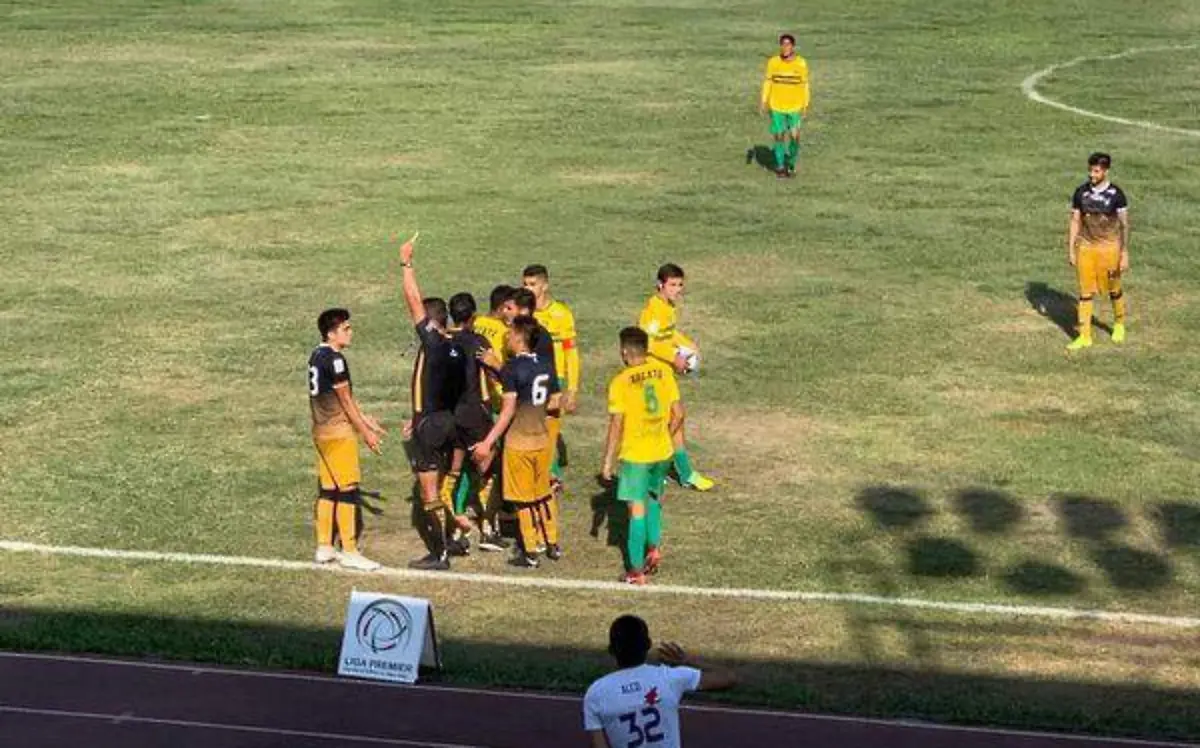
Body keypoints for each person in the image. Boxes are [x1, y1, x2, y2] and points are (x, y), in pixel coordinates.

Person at [397, 234, 466, 571]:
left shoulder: (436, 344)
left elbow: (412, 299)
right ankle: (454, 537)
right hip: (449, 421)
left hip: (432, 425)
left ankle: (439, 553)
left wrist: (406, 263)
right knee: (440, 483)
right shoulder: (456, 346)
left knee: (428, 491)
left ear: (432, 320)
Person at [470, 315, 559, 568]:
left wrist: (487, 442)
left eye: (509, 333)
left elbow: (507, 410)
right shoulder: (546, 365)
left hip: (519, 442)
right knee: (543, 493)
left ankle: (530, 551)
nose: (506, 337)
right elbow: (554, 401)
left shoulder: (511, 368)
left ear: (519, 337)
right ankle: (552, 543)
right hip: (542, 439)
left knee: (522, 499)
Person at [602, 327, 683, 584]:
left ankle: (636, 571)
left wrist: (608, 461)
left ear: (625, 352)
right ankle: (654, 548)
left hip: (637, 454)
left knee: (636, 510)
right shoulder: (664, 372)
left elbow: (616, 424)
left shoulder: (621, 381)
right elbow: (679, 414)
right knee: (653, 498)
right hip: (662, 451)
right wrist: (665, 436)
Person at [308, 308, 385, 571]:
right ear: (331, 334)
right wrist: (366, 432)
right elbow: (345, 401)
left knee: (329, 489)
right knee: (349, 490)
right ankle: (349, 550)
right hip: (339, 434)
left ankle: (324, 546)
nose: (350, 332)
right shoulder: (337, 360)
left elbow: (344, 402)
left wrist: (366, 420)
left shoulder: (316, 355)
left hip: (320, 432)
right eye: (345, 329)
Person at [583, 615, 737, 748]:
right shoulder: (669, 678)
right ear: (648, 645)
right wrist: (688, 660)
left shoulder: (596, 693)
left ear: (611, 650)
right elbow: (728, 677)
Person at [638, 264, 715, 492]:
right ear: (660, 285)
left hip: (665, 372)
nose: (677, 289)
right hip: (653, 373)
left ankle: (680, 472)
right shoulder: (653, 309)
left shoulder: (668, 307)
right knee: (673, 419)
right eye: (672, 285)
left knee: (676, 420)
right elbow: (648, 342)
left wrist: (689, 345)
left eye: (680, 285)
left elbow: (669, 334)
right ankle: (656, 468)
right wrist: (674, 357)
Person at [523, 264, 580, 538]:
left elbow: (571, 353)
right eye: (525, 284)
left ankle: (549, 479)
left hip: (554, 383)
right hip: (532, 380)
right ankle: (547, 478)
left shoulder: (561, 314)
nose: (527, 289)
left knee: (547, 430)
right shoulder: (525, 314)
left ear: (545, 285)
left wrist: (573, 388)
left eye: (532, 284)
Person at [439, 292, 497, 551]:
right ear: (473, 316)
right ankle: (487, 529)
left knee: (457, 469)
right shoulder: (479, 342)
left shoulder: (442, 342)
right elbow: (497, 373)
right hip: (476, 414)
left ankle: (454, 530)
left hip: (449, 414)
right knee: (486, 470)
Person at [513, 287, 565, 559]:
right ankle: (552, 541)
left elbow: (514, 399)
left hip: (528, 429)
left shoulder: (518, 363)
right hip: (544, 426)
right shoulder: (544, 347)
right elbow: (555, 395)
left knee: (526, 490)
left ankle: (531, 547)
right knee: (543, 484)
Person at [1066, 152, 1131, 351]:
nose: (1091, 174)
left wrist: (1124, 252)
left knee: (1114, 288)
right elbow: (1075, 221)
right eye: (1090, 170)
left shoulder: (1117, 195)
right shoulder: (1081, 192)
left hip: (1109, 248)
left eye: (1096, 171)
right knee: (1085, 292)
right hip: (1086, 248)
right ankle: (1085, 336)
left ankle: (1119, 324)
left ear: (1105, 171)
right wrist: (1071, 249)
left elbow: (1124, 225)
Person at [759, 33, 810, 178]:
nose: (785, 47)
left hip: (794, 107)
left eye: (788, 44)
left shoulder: (801, 64)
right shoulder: (773, 62)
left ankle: (791, 162)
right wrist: (763, 101)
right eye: (783, 44)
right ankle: (781, 167)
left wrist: (805, 105)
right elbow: (768, 81)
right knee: (779, 136)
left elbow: (805, 85)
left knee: (795, 137)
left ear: (793, 46)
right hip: (776, 106)